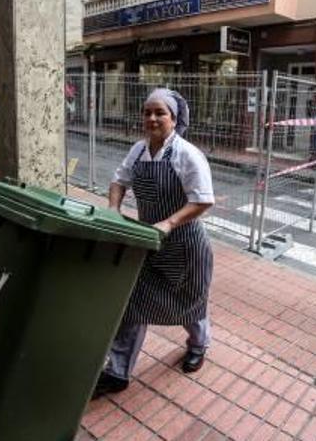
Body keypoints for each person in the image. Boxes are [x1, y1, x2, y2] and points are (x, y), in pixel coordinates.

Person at [92, 88, 213, 398]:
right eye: (147, 112)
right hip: (150, 243)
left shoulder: (187, 154)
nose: (152, 118)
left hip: (186, 246)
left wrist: (170, 222)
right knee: (133, 303)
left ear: (174, 119)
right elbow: (119, 181)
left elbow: (203, 200)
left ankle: (198, 345)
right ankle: (118, 372)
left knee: (190, 303)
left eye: (160, 113)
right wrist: (113, 209)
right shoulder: (138, 151)